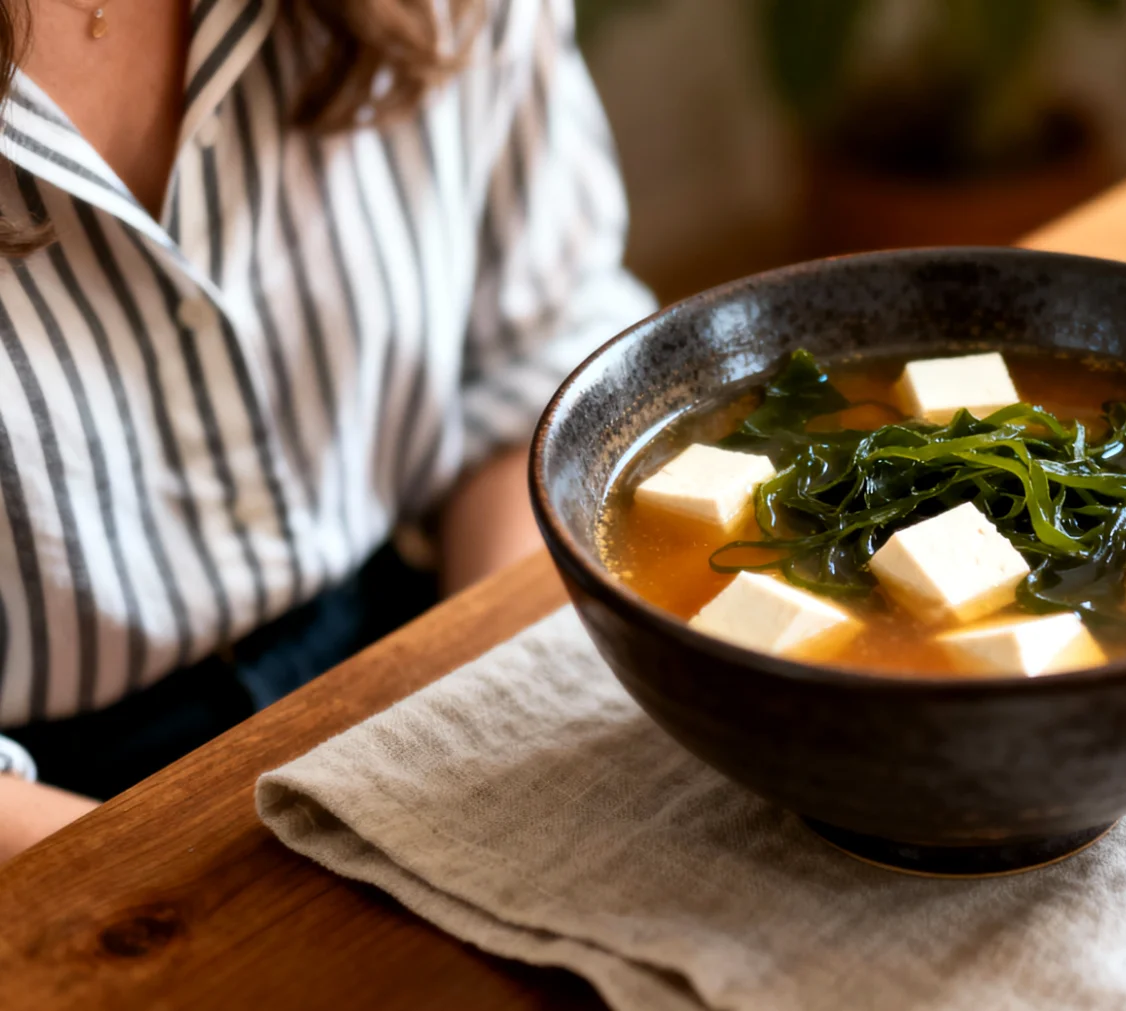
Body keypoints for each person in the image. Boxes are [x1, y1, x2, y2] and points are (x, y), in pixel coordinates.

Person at [0, 0, 654, 860]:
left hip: (432, 627)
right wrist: (172, 888)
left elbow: (540, 350)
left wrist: (476, 720)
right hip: (47, 809)